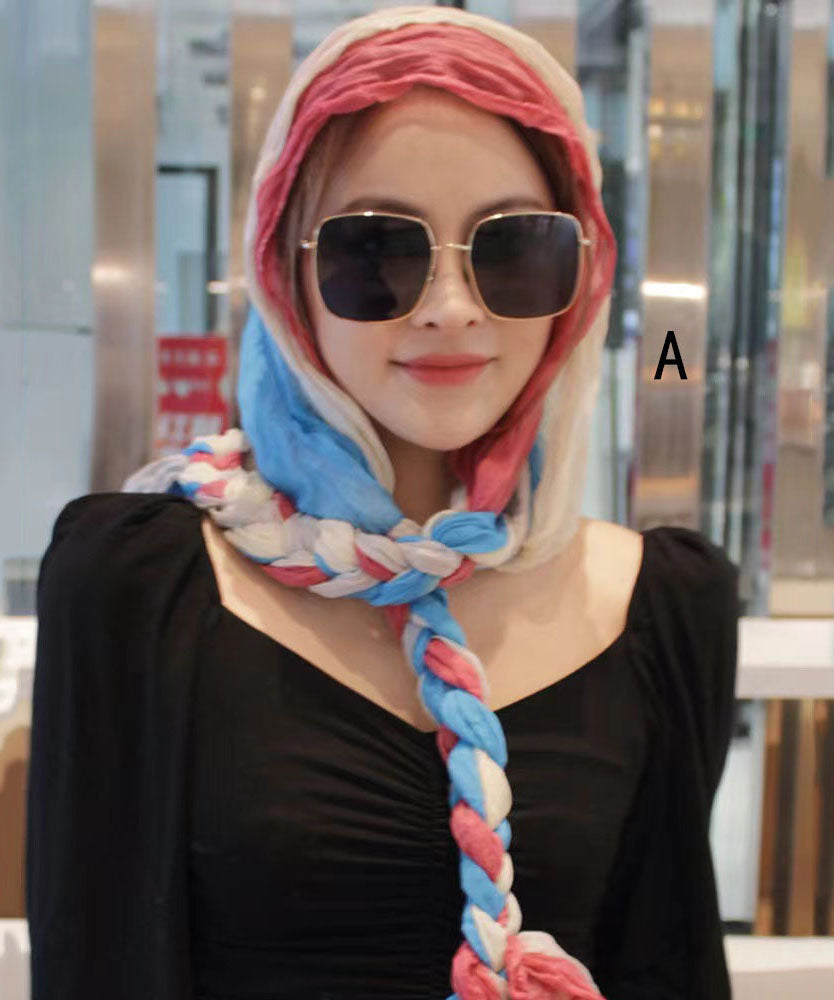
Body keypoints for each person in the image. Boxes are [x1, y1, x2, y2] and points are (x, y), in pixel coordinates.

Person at [25, 6, 741, 1000]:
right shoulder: (137, 585)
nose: (450, 308)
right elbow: (96, 960)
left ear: (580, 276)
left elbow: (666, 964)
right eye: (376, 251)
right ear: (286, 274)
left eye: (513, 248)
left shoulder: (662, 605)